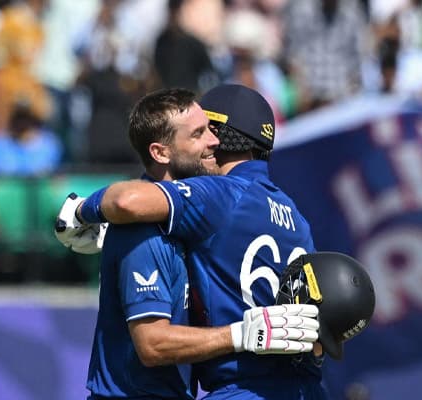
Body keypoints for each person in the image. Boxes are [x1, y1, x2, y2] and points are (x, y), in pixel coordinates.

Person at [56, 84, 328, 399]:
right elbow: (152, 343)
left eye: (211, 131)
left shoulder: (220, 196)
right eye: (199, 134)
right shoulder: (297, 219)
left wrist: (79, 211)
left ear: (227, 137)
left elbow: (127, 200)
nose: (212, 141)